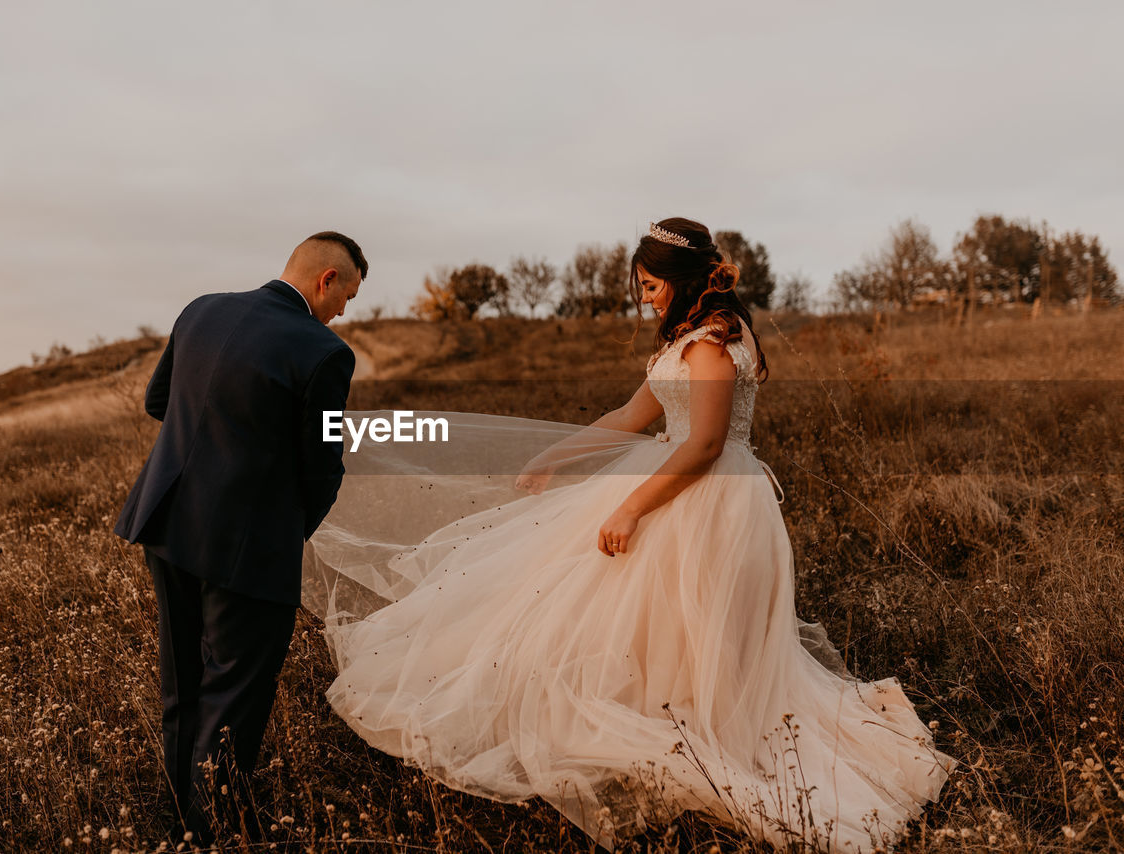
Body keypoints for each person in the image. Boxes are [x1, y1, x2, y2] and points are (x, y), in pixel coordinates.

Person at [301, 219, 954, 852]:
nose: (644, 299)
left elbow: (702, 444)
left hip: (712, 498)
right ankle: (662, 715)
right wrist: (560, 453)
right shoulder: (683, 341)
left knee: (695, 630)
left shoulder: (713, 342)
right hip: (664, 476)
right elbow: (631, 414)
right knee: (627, 619)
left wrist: (632, 508)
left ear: (679, 279)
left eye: (649, 285)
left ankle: (711, 738)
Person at [114, 231, 366, 843]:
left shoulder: (202, 308)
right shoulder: (324, 353)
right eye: (347, 296)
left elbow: (158, 403)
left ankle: (180, 820)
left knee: (183, 687)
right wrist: (282, 532)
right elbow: (322, 469)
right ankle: (214, 833)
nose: (344, 312)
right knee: (234, 695)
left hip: (167, 522)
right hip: (248, 550)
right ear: (325, 279)